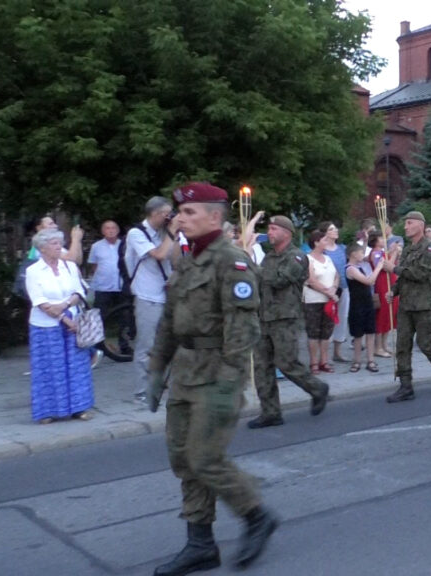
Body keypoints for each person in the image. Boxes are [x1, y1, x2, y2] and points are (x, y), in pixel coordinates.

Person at [145, 182, 278, 575]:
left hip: (217, 371)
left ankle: (257, 515)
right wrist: (156, 369)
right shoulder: (186, 259)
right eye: (178, 212)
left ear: (215, 217)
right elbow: (170, 320)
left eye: (188, 213)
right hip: (185, 371)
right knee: (184, 460)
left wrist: (229, 381)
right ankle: (200, 544)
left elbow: (243, 327)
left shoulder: (231, 261)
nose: (179, 219)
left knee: (205, 458)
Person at [247, 215, 330, 429]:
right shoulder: (269, 258)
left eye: (274, 229)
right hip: (264, 317)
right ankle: (270, 412)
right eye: (270, 229)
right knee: (262, 367)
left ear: (287, 232)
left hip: (285, 317)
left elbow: (279, 280)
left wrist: (252, 266)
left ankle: (317, 388)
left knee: (287, 363)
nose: (270, 233)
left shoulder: (297, 257)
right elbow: (260, 281)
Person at [384, 210, 431, 403]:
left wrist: (393, 268)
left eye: (409, 223)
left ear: (420, 226)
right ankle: (406, 386)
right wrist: (394, 291)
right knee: (402, 346)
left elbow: (420, 273)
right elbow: (404, 277)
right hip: (407, 306)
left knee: (427, 346)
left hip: (425, 306)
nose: (405, 227)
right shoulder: (407, 249)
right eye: (405, 223)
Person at [25, 228, 95, 424]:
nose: (59, 247)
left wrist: (65, 307)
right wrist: (65, 319)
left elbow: (79, 290)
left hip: (72, 319)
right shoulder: (33, 271)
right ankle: (47, 411)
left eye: (59, 243)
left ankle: (79, 408)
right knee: (49, 368)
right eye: (54, 244)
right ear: (43, 248)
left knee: (77, 367)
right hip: (46, 326)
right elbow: (40, 301)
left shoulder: (69, 267)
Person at [125, 196, 178, 402]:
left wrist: (176, 233)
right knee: (147, 345)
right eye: (167, 213)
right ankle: (142, 391)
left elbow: (175, 258)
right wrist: (172, 232)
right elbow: (159, 254)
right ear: (155, 214)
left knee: (169, 343)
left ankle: (165, 385)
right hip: (147, 295)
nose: (169, 217)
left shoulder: (165, 232)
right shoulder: (136, 233)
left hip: (167, 294)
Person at [87, 220, 131, 355]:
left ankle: (124, 345)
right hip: (103, 287)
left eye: (113, 228)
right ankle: (100, 347)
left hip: (121, 287)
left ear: (118, 231)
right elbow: (94, 265)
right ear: (103, 231)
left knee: (124, 317)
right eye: (107, 228)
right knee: (100, 317)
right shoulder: (96, 246)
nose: (111, 230)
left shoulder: (125, 245)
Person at [303, 228, 339, 373]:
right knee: (313, 332)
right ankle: (313, 362)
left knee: (326, 332)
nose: (327, 242)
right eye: (324, 240)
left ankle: (324, 360)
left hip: (329, 300)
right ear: (316, 242)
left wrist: (334, 289)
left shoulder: (328, 258)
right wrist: (328, 292)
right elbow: (311, 280)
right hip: (313, 300)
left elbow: (336, 275)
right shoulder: (308, 259)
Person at [345, 242, 384, 373]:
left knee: (370, 331)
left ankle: (370, 359)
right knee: (358, 334)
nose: (363, 255)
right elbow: (368, 281)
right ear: (353, 254)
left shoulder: (361, 266)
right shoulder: (351, 268)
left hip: (367, 302)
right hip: (357, 305)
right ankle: (357, 360)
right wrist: (379, 267)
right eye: (361, 252)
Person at [318, 222, 352, 364]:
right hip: (328, 289)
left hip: (343, 287)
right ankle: (323, 356)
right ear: (325, 233)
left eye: (335, 228)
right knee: (327, 320)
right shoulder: (323, 250)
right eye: (332, 229)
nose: (335, 230)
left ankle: (337, 352)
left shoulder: (342, 248)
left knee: (342, 319)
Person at [370, 232, 398, 358]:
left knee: (389, 315)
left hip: (389, 285)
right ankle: (378, 347)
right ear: (375, 241)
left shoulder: (382, 252)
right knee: (382, 315)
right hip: (382, 286)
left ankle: (384, 344)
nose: (384, 239)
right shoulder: (376, 253)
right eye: (380, 237)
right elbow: (387, 267)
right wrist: (394, 254)